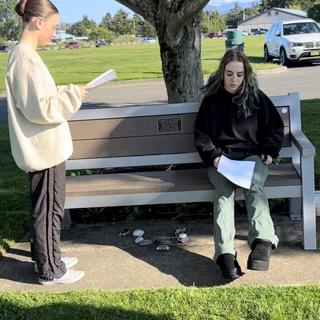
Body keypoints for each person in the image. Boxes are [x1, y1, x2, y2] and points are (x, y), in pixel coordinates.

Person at [5, 0, 87, 285]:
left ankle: (50, 257)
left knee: (47, 206)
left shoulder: (24, 55)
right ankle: (50, 269)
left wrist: (67, 90)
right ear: (37, 22)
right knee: (49, 208)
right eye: (53, 27)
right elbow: (41, 108)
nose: (54, 33)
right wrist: (73, 97)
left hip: (45, 147)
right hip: (44, 149)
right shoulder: (24, 58)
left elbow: (40, 98)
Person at [194, 49, 284, 280]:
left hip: (251, 158)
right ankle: (225, 254)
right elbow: (202, 136)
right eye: (230, 73)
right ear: (222, 72)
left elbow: (274, 128)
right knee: (223, 195)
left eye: (240, 75)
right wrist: (213, 156)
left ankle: (262, 243)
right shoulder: (211, 102)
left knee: (255, 187)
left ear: (246, 75)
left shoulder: (256, 98)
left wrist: (269, 150)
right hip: (221, 160)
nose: (234, 79)